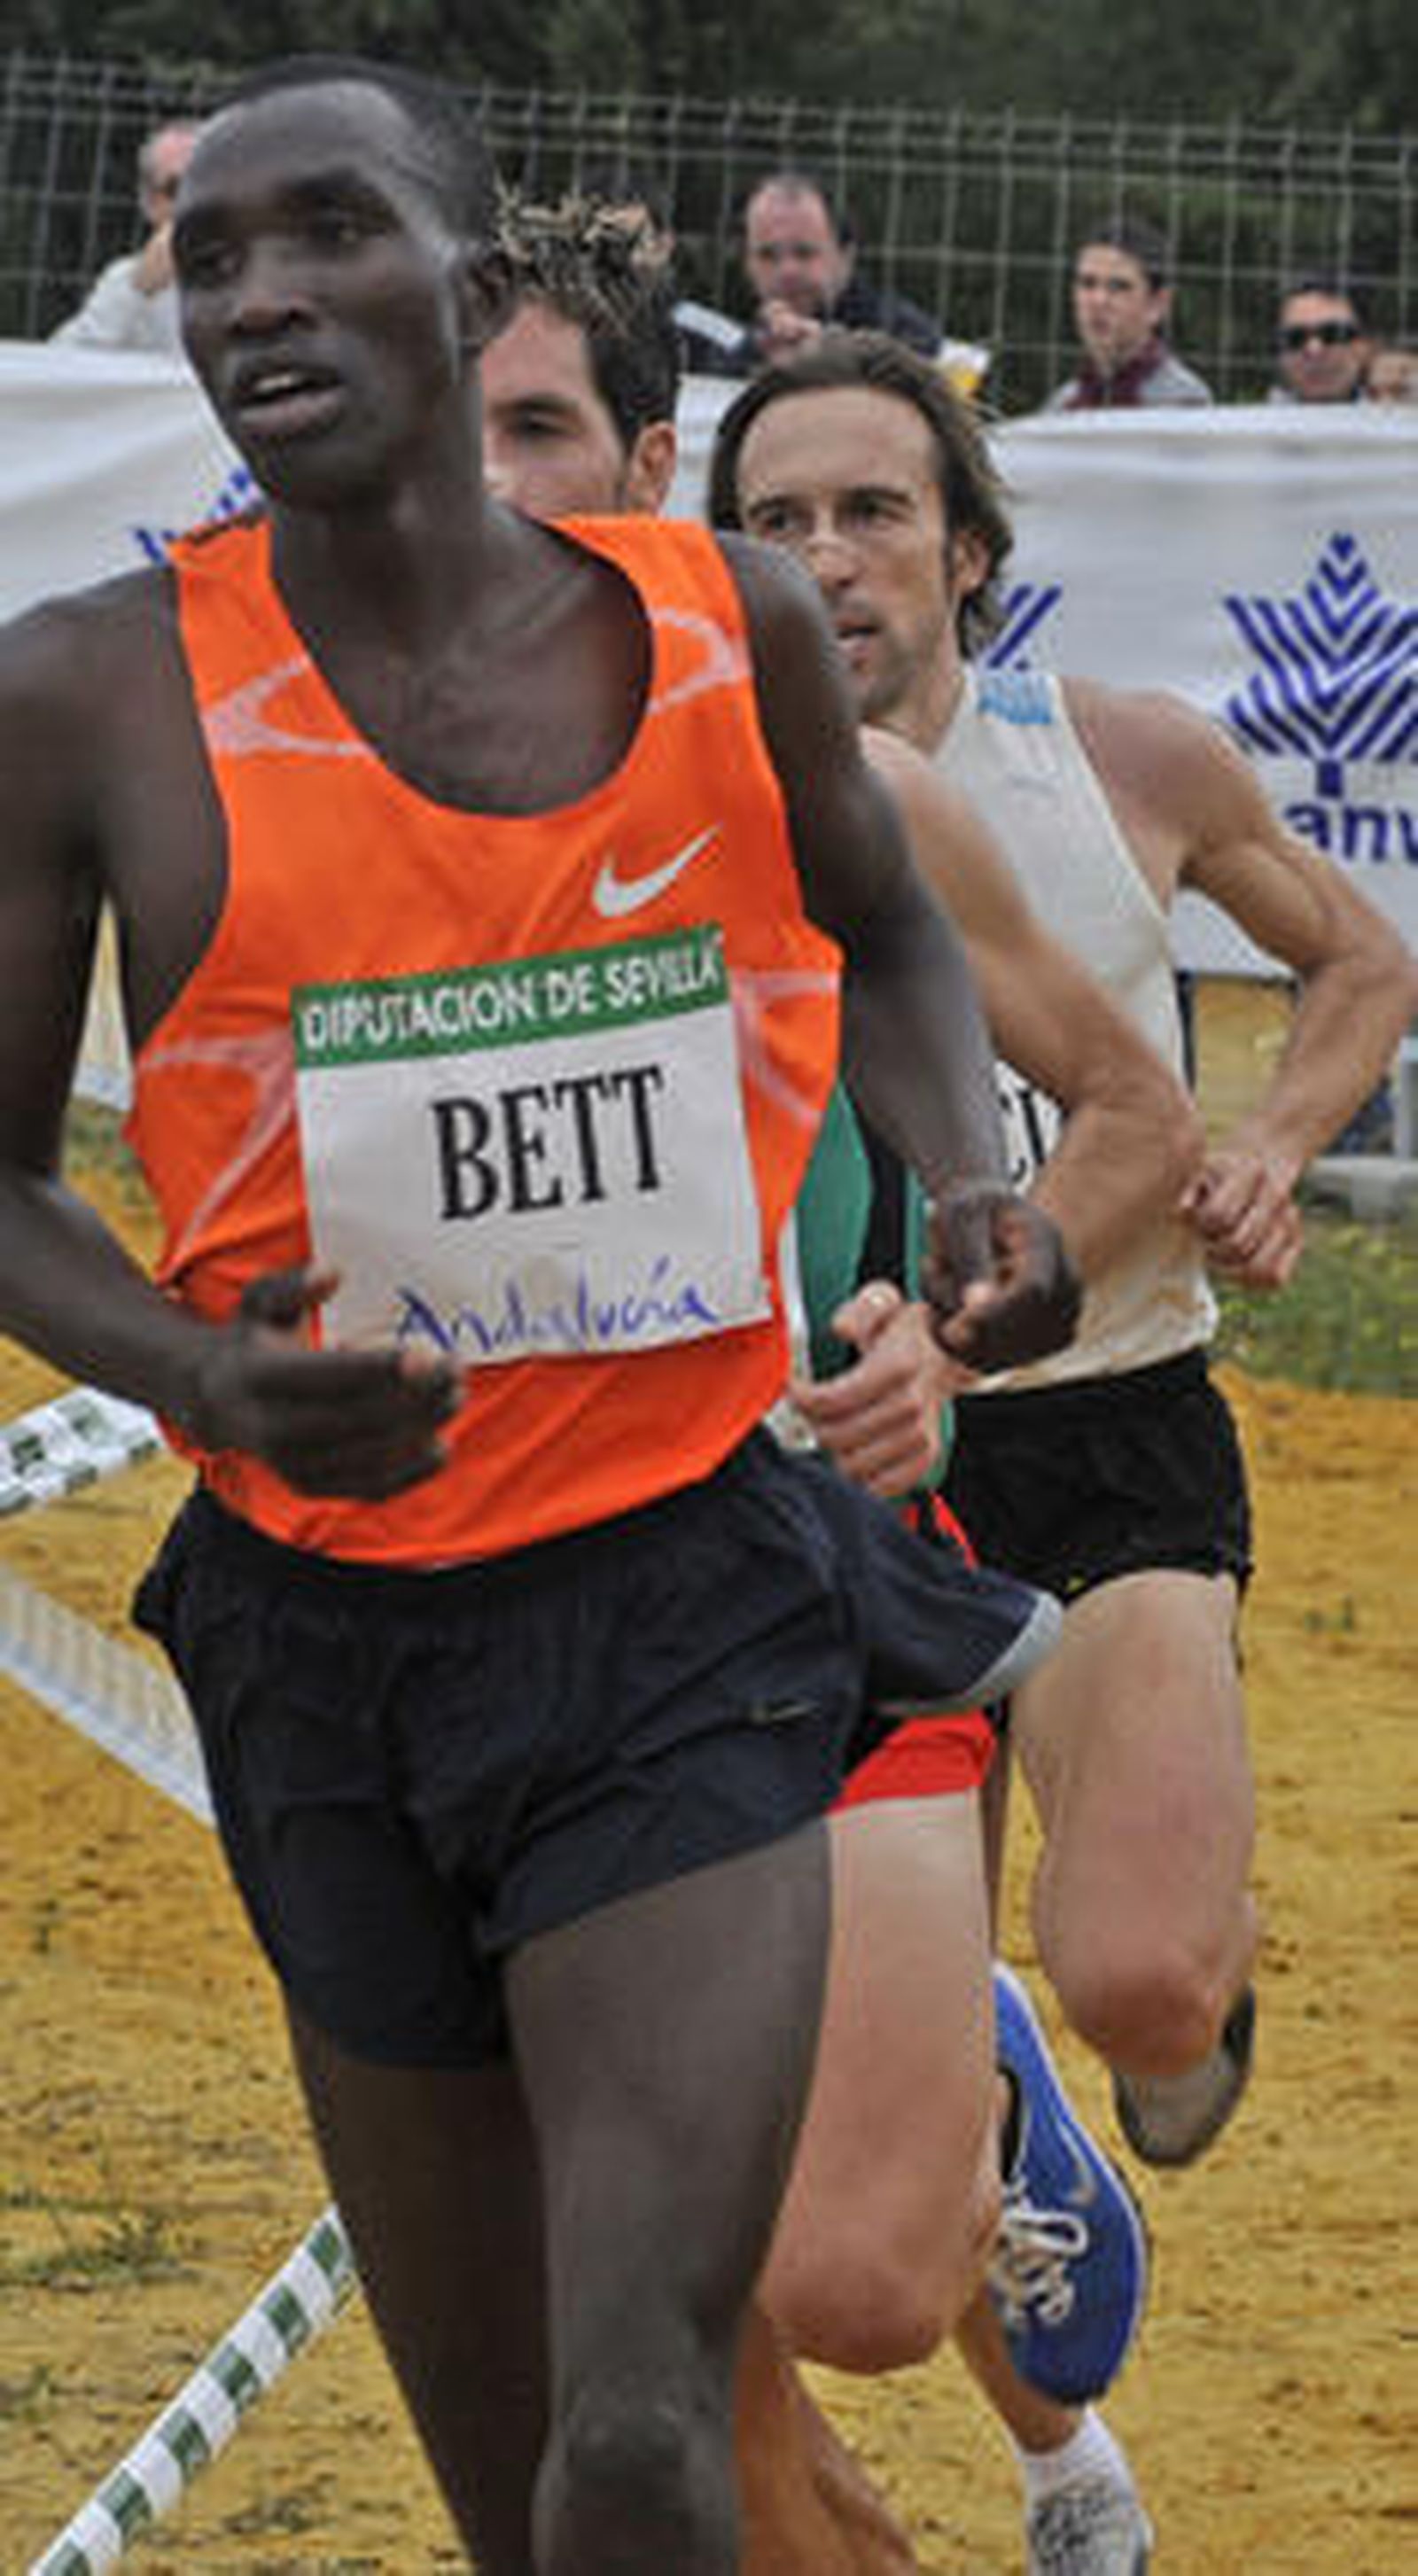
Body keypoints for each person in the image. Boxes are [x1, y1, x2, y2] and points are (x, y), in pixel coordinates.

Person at [0, 60, 1088, 2576]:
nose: (261, 294)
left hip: (679, 1592)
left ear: (472, 283)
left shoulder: (724, 637)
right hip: (321, 1654)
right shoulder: (90, 698)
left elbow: (891, 923)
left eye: (334, 236)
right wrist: (193, 1372)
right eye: (216, 259)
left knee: (636, 2437)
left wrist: (963, 1176)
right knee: (524, 2512)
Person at [486, 211, 1205, 2575]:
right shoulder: (334, 805)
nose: (470, 498)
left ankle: (981, 2088)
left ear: (632, 460)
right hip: (501, 1630)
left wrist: (955, 1327)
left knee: (860, 2280)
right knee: (670, 2360)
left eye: (531, 434)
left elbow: (1121, 1116)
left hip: (826, 1570)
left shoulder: (872, 799)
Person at [711, 329, 1418, 2571]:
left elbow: (1358, 962)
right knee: (860, 2265)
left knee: (1140, 1985)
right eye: (775, 517)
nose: (824, 559)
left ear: (969, 554)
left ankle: (1082, 2015)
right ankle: (977, 2085)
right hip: (837, 1487)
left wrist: (1274, 1143)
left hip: (1097, 1427)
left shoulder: (1116, 760)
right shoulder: (680, 801)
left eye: (871, 513)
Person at [712, 171, 944, 377]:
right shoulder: (750, 349)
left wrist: (831, 358)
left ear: (845, 257)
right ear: (747, 264)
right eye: (767, 255)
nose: (787, 271)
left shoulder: (906, 337)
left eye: (805, 253)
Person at [50, 118, 201, 356]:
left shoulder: (263, 271)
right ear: (150, 204)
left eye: (205, 183)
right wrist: (137, 291)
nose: (194, 200)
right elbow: (61, 363)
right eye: (175, 188)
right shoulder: (127, 281)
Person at [1041, 217, 1213, 412]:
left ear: (1157, 304)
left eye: (1118, 287)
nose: (1099, 301)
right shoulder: (1061, 404)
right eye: (1087, 284)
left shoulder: (1185, 403)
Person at [1269, 279, 1375, 404]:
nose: (1314, 350)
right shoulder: (1251, 421)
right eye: (1296, 338)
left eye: (1332, 334)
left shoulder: (1395, 418)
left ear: (1365, 347)